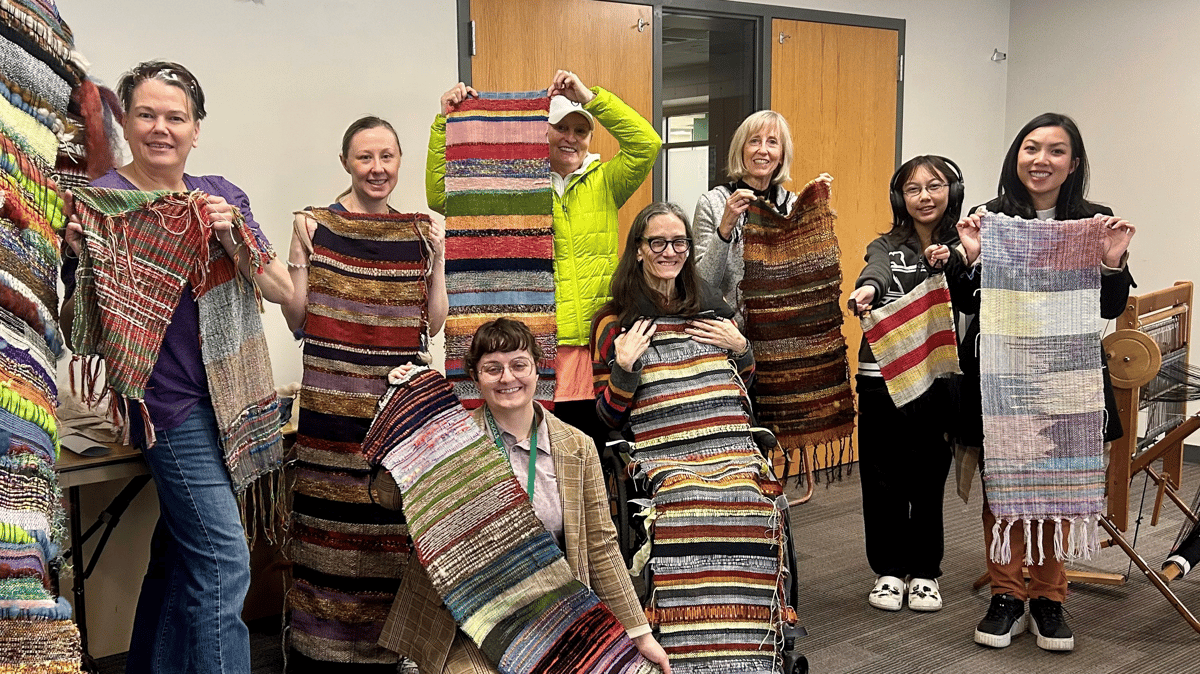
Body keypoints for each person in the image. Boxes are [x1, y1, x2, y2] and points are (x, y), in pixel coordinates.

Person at [62, 60, 292, 674]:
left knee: (180, 556)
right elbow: (78, 321)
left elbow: (282, 290)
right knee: (223, 561)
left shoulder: (222, 196)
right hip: (167, 407)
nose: (160, 128)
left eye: (175, 117)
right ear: (127, 123)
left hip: (234, 399)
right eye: (146, 115)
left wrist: (235, 236)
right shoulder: (100, 204)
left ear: (196, 128)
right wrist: (84, 260)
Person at [376, 318, 670, 674]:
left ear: (537, 369)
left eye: (519, 365)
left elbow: (601, 547)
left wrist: (640, 635)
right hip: (465, 619)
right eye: (492, 369)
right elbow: (389, 499)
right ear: (475, 377)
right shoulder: (452, 442)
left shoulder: (577, 447)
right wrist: (404, 413)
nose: (507, 378)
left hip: (550, 613)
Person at [955, 113, 1136, 652]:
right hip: (1002, 377)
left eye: (1056, 151)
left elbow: (1108, 307)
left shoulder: (1093, 221)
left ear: (1073, 164)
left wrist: (1111, 262)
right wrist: (971, 258)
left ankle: (1051, 599)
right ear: (1017, 156)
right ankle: (1007, 596)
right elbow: (964, 301)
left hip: (1068, 378)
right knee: (1004, 486)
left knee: (1061, 486)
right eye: (1031, 148)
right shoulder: (990, 218)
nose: (1041, 160)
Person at [592, 202, 792, 672]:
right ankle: (685, 650)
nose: (670, 252)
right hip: (665, 457)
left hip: (731, 449)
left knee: (752, 499)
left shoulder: (713, 309)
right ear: (638, 250)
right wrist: (624, 367)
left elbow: (743, 387)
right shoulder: (615, 323)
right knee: (685, 501)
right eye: (657, 242)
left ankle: (750, 646)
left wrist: (743, 349)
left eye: (679, 242)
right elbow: (609, 416)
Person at [278, 116, 448, 670]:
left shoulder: (418, 232)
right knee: (325, 533)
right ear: (346, 163)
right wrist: (299, 252)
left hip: (395, 415)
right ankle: (318, 653)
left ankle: (386, 653)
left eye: (386, 157)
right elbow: (298, 319)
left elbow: (433, 324)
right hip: (330, 413)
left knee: (388, 534)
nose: (377, 168)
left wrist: (441, 256)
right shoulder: (316, 225)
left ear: (399, 161)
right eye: (365, 157)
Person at [432, 71, 661, 446]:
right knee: (535, 454)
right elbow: (442, 194)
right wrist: (445, 122)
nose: (571, 138)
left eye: (581, 131)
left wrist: (592, 99)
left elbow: (647, 144)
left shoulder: (606, 181)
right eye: (561, 128)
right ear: (543, 132)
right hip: (538, 346)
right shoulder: (514, 186)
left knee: (590, 451)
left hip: (596, 346)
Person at [847, 155, 964, 613]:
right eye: (913, 189)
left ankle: (926, 571)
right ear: (900, 197)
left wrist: (949, 260)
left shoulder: (965, 243)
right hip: (880, 374)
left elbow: (967, 285)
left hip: (937, 376)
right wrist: (867, 290)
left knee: (928, 474)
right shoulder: (885, 244)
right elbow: (875, 270)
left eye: (934, 186)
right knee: (881, 476)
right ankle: (889, 571)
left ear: (952, 191)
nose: (924, 197)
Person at [692, 109, 830, 319]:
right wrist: (724, 230)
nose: (763, 150)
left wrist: (814, 214)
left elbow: (810, 278)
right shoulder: (712, 203)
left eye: (772, 142)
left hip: (784, 328)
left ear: (781, 155)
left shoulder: (793, 205)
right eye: (754, 141)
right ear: (741, 150)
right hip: (728, 329)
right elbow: (702, 284)